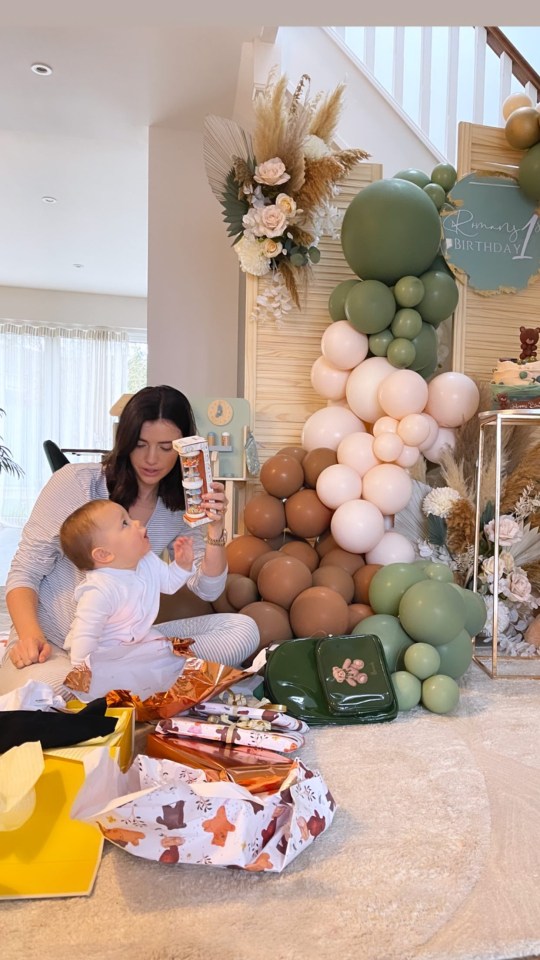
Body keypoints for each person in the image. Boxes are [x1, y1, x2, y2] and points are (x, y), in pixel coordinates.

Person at [0, 385, 259, 696]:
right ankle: (146, 688)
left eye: (166, 448)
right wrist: (30, 635)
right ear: (125, 441)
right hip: (53, 644)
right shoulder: (77, 483)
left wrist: (214, 529)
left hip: (124, 649)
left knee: (242, 631)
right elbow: (24, 572)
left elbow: (207, 588)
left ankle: (128, 687)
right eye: (140, 444)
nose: (152, 459)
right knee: (47, 691)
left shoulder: (180, 506)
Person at [59, 499, 197, 700]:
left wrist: (183, 564)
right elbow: (85, 638)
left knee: (170, 652)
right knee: (112, 678)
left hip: (138, 639)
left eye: (130, 517)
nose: (137, 523)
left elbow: (169, 583)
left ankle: (155, 683)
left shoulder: (146, 560)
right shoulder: (100, 590)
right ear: (104, 554)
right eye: (125, 523)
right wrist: (83, 676)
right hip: (104, 652)